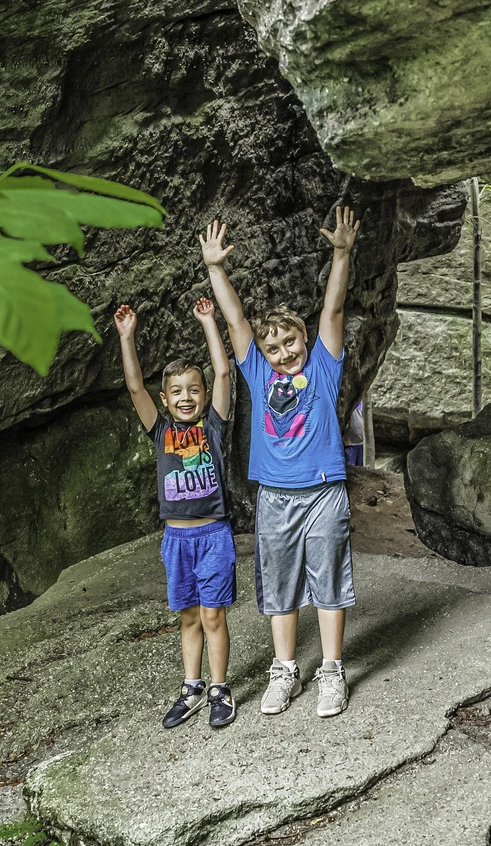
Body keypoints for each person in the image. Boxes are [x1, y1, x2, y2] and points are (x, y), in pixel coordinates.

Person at [199, 206, 360, 718]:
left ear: (304, 341)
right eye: (274, 348)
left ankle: (332, 671)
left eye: (290, 341)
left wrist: (341, 253)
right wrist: (215, 268)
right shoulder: (256, 372)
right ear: (263, 355)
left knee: (329, 579)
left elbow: (332, 312)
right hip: (275, 496)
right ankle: (285, 670)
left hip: (323, 491)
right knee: (280, 583)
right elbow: (236, 320)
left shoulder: (324, 367)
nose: (283, 351)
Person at [114, 298, 237, 728]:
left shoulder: (214, 427)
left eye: (194, 390)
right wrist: (127, 337)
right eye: (177, 392)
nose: (187, 398)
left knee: (212, 615)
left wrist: (208, 322)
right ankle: (192, 689)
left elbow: (223, 371)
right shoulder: (161, 429)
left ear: (203, 396)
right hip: (177, 540)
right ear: (166, 400)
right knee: (188, 616)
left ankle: (220, 688)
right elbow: (134, 387)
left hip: (213, 535)